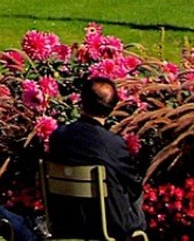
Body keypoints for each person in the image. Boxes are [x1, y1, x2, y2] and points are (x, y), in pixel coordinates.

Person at [44, 78, 145, 239]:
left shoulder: (59, 136)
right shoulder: (113, 144)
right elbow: (133, 186)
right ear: (112, 107)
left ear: (82, 102)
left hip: (66, 221)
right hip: (109, 224)